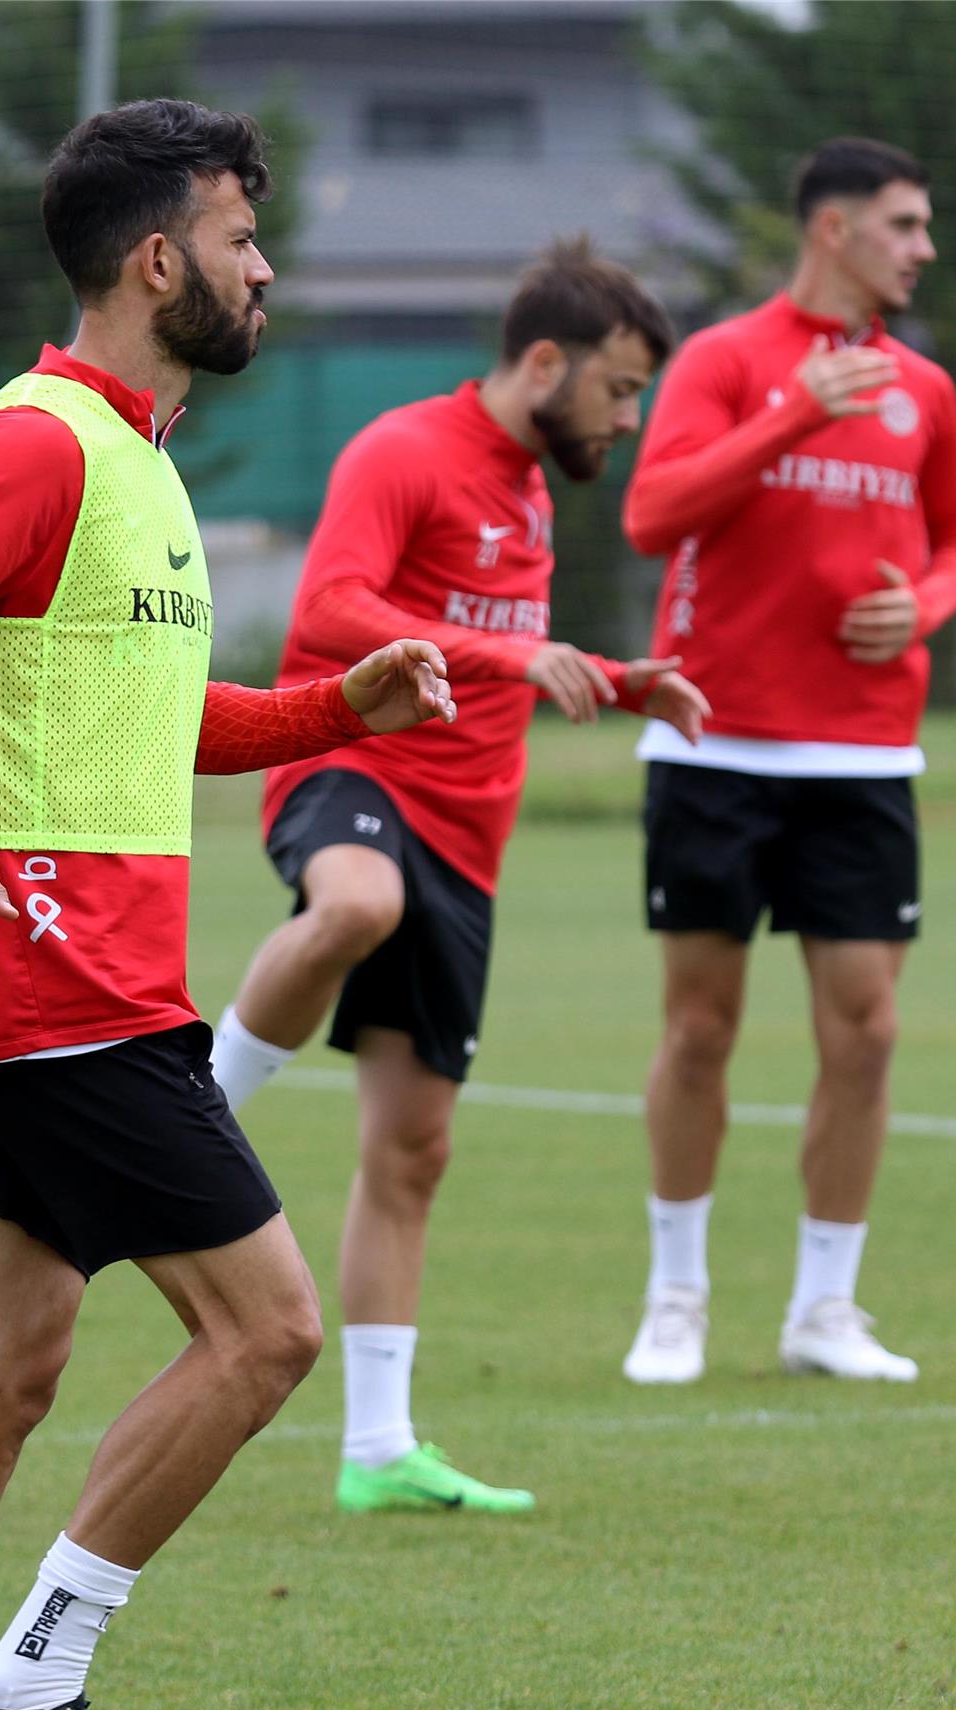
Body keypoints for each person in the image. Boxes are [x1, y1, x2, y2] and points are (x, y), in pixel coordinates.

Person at [0, 99, 456, 1710]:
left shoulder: (138, 462)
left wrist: (331, 710)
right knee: (270, 1331)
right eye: (244, 237)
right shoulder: (37, 446)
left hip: (53, 994)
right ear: (161, 258)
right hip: (61, 983)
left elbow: (154, 722)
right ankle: (37, 1673)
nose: (268, 268)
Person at [210, 241, 707, 1515]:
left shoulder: (531, 486)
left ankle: (379, 1450)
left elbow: (504, 639)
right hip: (354, 771)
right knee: (355, 904)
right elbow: (332, 610)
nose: (628, 418)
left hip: (470, 837)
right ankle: (197, 1102)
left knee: (414, 1148)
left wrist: (614, 678)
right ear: (545, 361)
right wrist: (515, 656)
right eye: (619, 388)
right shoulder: (404, 450)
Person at [616, 136, 956, 1389]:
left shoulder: (924, 389)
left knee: (867, 1034)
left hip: (864, 752)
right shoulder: (726, 361)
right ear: (835, 229)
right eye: (905, 224)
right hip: (713, 741)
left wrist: (926, 606)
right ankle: (676, 1297)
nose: (924, 247)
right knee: (701, 1029)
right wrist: (794, 415)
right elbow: (652, 515)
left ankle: (826, 1308)